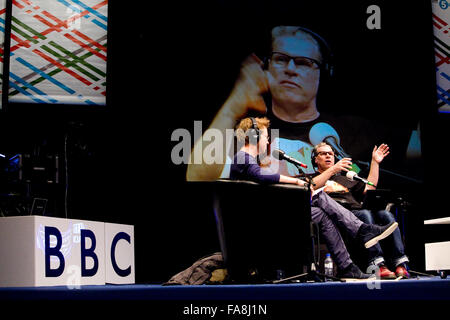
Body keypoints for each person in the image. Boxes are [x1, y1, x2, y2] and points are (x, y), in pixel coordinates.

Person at [186, 25, 392, 181]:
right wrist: (232, 106)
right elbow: (197, 176)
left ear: (323, 73)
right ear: (268, 67)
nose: (291, 69)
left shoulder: (353, 128)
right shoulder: (253, 130)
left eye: (303, 62)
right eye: (281, 59)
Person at [231, 116, 399, 280]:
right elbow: (261, 176)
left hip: (266, 215)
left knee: (321, 213)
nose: (268, 142)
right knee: (318, 195)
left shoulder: (246, 159)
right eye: (266, 137)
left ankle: (347, 267)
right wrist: (297, 181)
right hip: (259, 219)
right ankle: (362, 231)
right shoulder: (242, 157)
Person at [310, 142, 410, 279]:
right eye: (323, 153)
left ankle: (400, 263)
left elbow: (369, 188)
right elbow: (311, 188)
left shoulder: (344, 178)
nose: (328, 156)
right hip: (338, 217)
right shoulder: (311, 177)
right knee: (365, 214)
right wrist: (332, 170)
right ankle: (378, 264)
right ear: (315, 159)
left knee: (385, 214)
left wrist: (375, 163)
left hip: (356, 212)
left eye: (331, 153)